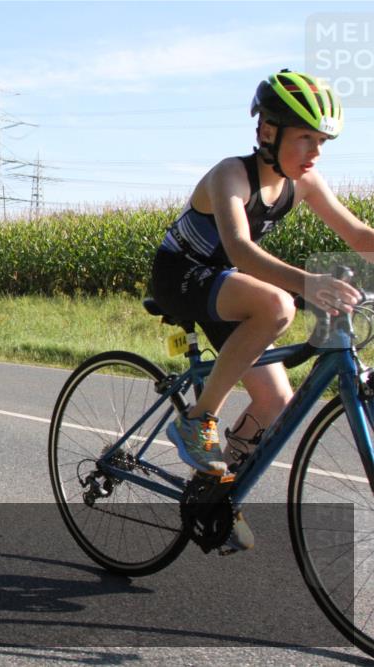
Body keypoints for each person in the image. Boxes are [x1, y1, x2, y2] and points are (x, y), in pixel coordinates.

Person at [149, 70, 374, 550]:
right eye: (306, 138)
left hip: (227, 286)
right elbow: (242, 252)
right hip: (182, 276)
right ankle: (197, 419)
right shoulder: (230, 174)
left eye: (322, 141)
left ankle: (214, 494)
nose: (315, 151)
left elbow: (358, 237)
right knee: (276, 304)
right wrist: (309, 283)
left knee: (275, 403)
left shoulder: (305, 180)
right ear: (268, 132)